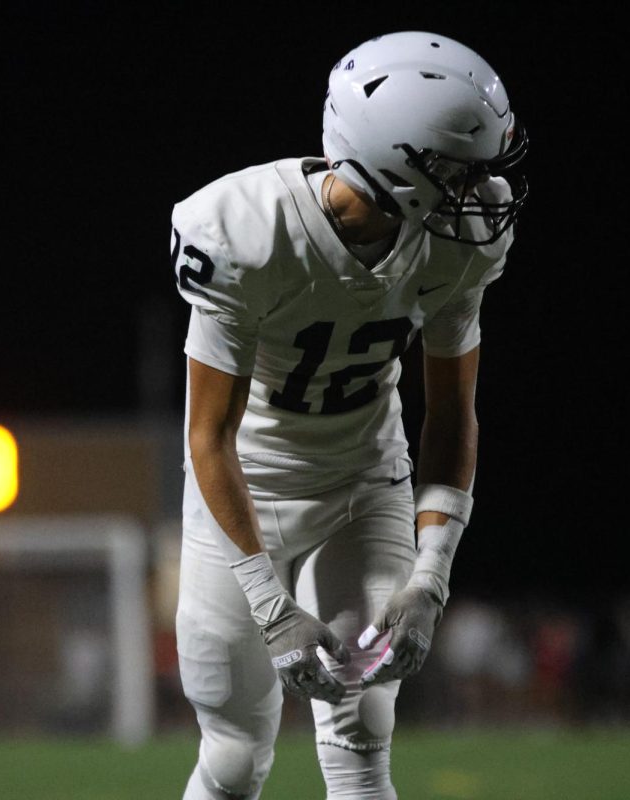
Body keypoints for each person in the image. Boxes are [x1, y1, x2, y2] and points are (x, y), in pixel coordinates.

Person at [170, 31, 528, 799]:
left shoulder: (455, 241)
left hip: (365, 483)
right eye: (457, 172)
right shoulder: (241, 229)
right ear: (396, 167)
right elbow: (209, 435)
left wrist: (431, 578)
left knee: (363, 729)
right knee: (233, 752)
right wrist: (270, 606)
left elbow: (451, 415)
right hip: (245, 488)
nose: (480, 192)